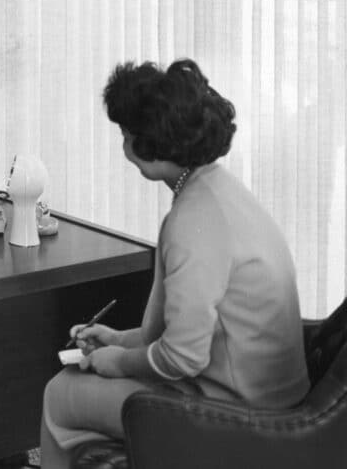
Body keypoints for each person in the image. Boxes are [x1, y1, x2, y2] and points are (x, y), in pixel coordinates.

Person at [38, 59, 310, 468]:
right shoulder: (219, 191)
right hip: (267, 394)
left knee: (61, 394)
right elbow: (184, 333)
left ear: (145, 144)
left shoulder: (192, 220)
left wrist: (117, 362)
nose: (123, 144)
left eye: (125, 133)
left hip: (242, 415)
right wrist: (116, 341)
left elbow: (183, 357)